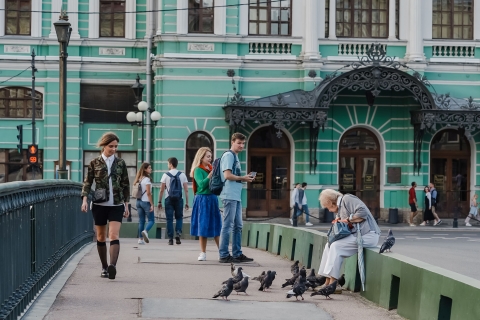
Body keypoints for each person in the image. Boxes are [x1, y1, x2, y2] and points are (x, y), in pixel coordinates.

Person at [81, 132, 130, 280]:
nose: (114, 149)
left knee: (113, 234)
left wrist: (127, 205)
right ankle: (104, 267)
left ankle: (112, 266)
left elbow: (125, 184)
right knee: (101, 236)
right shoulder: (94, 163)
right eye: (111, 146)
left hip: (116, 204)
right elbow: (88, 182)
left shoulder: (120, 163)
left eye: (116, 146)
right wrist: (84, 200)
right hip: (100, 204)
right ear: (104, 145)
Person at [318, 189, 380, 292]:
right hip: (357, 235)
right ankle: (327, 281)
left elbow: (362, 212)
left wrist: (347, 220)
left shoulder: (347, 199)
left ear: (330, 202)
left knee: (336, 246)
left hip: (368, 234)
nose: (328, 210)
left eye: (327, 207)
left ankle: (334, 283)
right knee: (329, 245)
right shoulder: (340, 206)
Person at [218, 132, 255, 263]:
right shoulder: (229, 155)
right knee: (228, 225)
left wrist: (244, 178)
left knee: (238, 226)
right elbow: (227, 175)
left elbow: (234, 177)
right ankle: (223, 255)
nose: (241, 145)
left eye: (243, 143)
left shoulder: (235, 156)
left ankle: (237, 253)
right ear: (232, 142)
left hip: (236, 195)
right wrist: (242, 178)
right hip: (229, 195)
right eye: (239, 143)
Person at [190, 147, 222, 261]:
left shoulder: (211, 168)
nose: (210, 158)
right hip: (202, 199)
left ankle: (221, 252)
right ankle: (203, 253)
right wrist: (210, 175)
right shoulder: (198, 170)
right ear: (201, 157)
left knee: (216, 225)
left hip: (212, 198)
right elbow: (202, 185)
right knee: (202, 226)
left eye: (211, 156)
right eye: (208, 156)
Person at [158, 157, 189, 245]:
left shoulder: (165, 175)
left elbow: (161, 190)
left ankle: (170, 239)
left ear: (171, 164)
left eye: (168, 163)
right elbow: (186, 190)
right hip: (179, 199)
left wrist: (159, 202)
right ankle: (178, 234)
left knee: (169, 219)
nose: (168, 165)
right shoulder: (182, 175)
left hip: (168, 199)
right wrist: (187, 202)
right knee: (179, 217)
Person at [134, 162, 155, 245]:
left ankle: (140, 239)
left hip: (138, 201)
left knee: (141, 221)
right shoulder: (147, 180)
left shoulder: (139, 179)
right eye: (149, 168)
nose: (151, 169)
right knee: (151, 220)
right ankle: (146, 231)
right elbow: (148, 193)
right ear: (145, 169)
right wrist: (152, 204)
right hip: (146, 202)